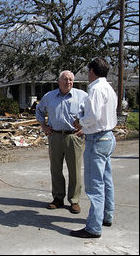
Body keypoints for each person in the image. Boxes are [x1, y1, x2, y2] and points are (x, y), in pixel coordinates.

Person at [71, 57, 118, 239]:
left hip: (97, 139)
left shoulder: (96, 89)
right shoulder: (109, 88)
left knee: (94, 184)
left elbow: (93, 116)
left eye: (88, 71)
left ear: (92, 71)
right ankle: (106, 216)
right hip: (108, 136)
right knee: (106, 180)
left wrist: (80, 122)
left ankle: (93, 227)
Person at [36, 70, 88, 214]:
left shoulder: (82, 96)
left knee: (75, 170)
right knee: (56, 169)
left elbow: (92, 113)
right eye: (65, 79)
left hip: (74, 137)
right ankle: (58, 198)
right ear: (59, 81)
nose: (68, 82)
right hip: (55, 136)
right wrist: (43, 126)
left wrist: (86, 128)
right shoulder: (49, 97)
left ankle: (74, 200)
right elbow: (39, 110)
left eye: (71, 79)